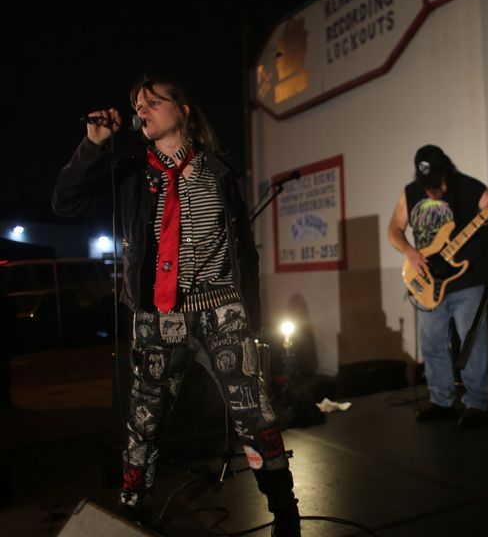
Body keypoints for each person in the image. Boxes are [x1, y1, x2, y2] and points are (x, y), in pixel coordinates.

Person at [52, 78, 301, 536]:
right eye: (137, 105)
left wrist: (252, 316)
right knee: (143, 423)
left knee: (255, 413)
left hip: (221, 309)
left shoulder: (219, 171)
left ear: (182, 110)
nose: (142, 110)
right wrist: (93, 146)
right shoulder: (131, 173)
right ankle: (134, 510)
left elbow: (245, 250)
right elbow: (65, 202)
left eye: (153, 101)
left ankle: (285, 510)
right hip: (157, 315)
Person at [387, 145, 488, 427]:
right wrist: (409, 252)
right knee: (432, 344)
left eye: (436, 184)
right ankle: (441, 401)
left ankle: (476, 403)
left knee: (473, 342)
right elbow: (394, 229)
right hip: (428, 280)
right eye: (426, 184)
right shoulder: (410, 192)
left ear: (446, 171)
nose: (431, 190)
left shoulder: (468, 186)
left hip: (466, 279)